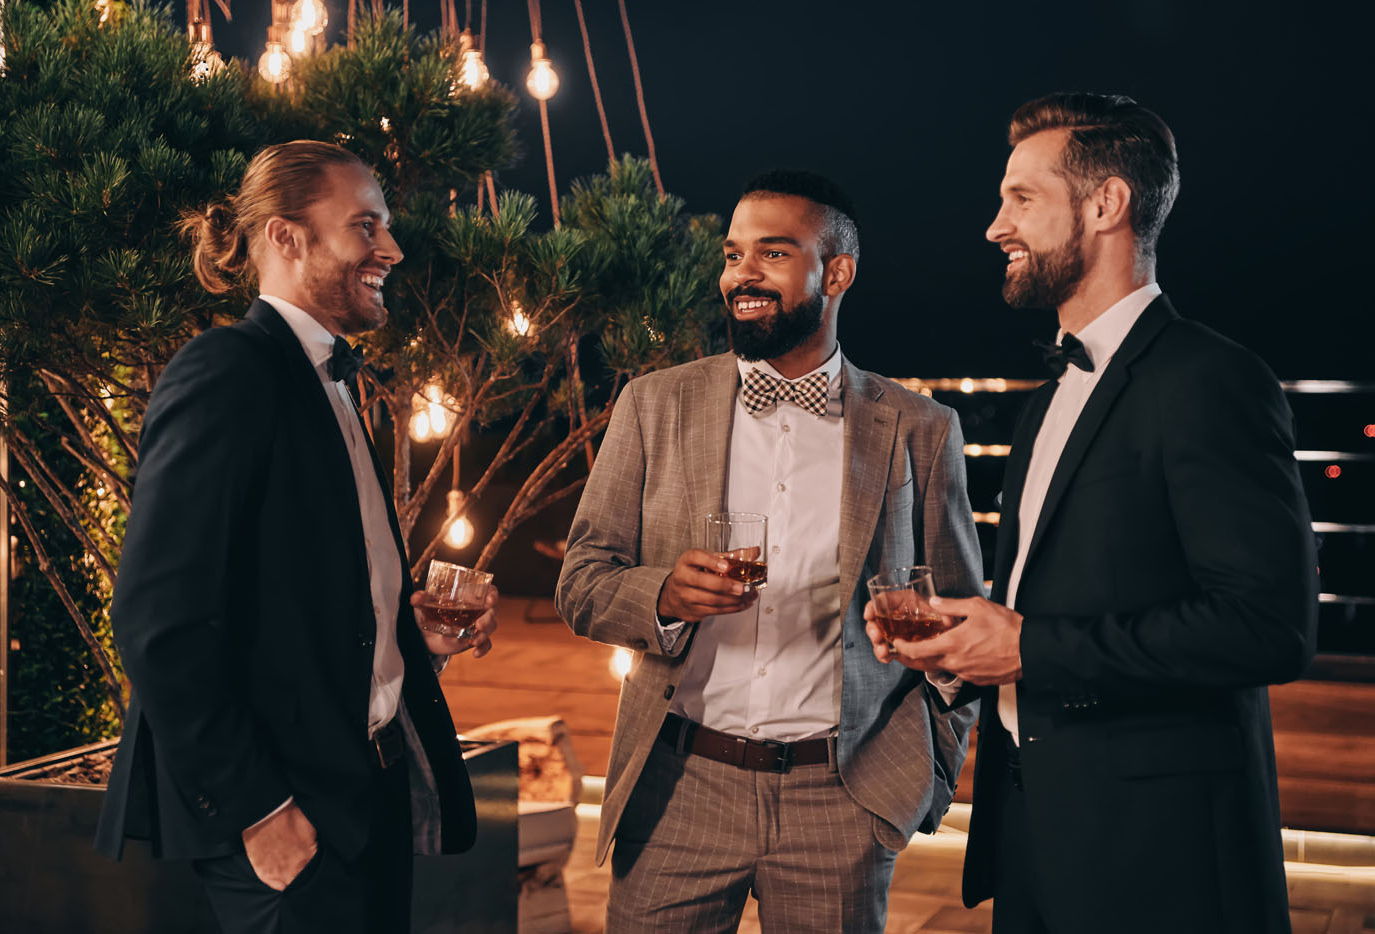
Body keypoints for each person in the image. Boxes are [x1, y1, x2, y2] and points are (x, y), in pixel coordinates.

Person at [868, 93, 1318, 934]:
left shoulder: (1210, 379)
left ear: (1106, 204)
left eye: (1021, 199)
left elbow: (1268, 626)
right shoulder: (1047, 404)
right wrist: (962, 649)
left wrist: (1029, 646)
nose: (996, 227)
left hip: (1162, 862)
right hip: (1036, 840)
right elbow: (1052, 614)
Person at [556, 169, 983, 933]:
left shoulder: (921, 429)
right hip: (677, 788)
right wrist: (662, 596)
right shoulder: (654, 404)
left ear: (837, 272)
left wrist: (923, 774)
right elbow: (582, 581)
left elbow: (961, 626)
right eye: (732, 254)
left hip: (841, 800)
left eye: (773, 254)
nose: (741, 275)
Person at [94, 140, 498, 934]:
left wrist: (398, 629)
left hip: (365, 792)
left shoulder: (333, 379)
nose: (392, 248)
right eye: (366, 227)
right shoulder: (225, 372)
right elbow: (158, 625)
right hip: (288, 809)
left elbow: (297, 586)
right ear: (286, 238)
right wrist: (260, 813)